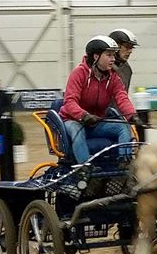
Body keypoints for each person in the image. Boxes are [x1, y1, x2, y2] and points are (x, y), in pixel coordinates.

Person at [59, 35, 140, 164]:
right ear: (96, 57)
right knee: (76, 129)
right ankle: (85, 169)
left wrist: (132, 116)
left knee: (123, 127)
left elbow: (122, 97)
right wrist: (84, 116)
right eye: (109, 55)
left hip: (96, 123)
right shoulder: (78, 74)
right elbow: (69, 102)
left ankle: (125, 164)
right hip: (73, 121)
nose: (113, 59)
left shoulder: (113, 78)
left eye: (114, 55)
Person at [108, 28, 138, 94]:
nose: (130, 51)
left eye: (131, 48)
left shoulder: (127, 68)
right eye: (127, 47)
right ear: (116, 46)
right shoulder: (100, 68)